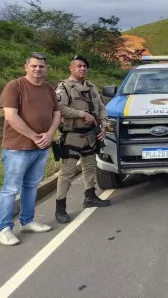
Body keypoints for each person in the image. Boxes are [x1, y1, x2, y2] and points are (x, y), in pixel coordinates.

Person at [0, 52, 61, 246]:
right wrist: (34, 136)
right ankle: (3, 229)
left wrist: (49, 134)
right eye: (34, 66)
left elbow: (56, 113)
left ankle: (27, 221)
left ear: (46, 69)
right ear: (26, 67)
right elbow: (11, 116)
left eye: (41, 66)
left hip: (42, 147)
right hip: (18, 148)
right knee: (10, 188)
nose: (37, 69)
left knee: (31, 185)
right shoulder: (14, 86)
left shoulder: (48, 88)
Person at [54, 55, 110, 224]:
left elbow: (101, 107)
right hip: (72, 135)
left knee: (90, 166)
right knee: (67, 172)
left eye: (85, 66)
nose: (82, 68)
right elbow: (60, 108)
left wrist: (104, 126)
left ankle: (90, 196)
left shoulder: (91, 87)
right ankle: (60, 207)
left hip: (92, 135)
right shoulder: (64, 87)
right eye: (79, 66)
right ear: (71, 68)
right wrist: (81, 114)